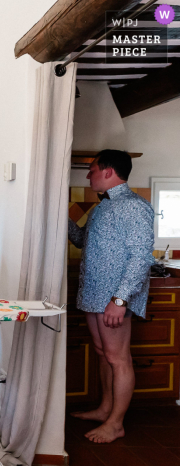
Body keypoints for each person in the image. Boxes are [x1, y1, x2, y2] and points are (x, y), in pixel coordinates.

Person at [68, 149, 155, 444]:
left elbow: (141, 258)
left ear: (108, 171)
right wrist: (61, 218)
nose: (88, 174)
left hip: (113, 298)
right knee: (103, 352)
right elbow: (82, 240)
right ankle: (105, 409)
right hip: (94, 293)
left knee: (118, 358)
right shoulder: (101, 207)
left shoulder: (133, 206)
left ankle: (116, 423)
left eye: (92, 169)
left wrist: (119, 300)